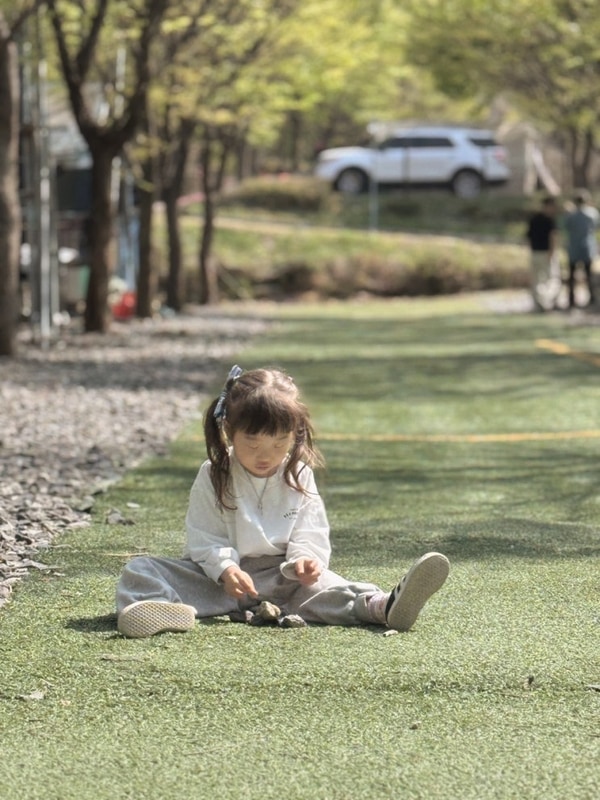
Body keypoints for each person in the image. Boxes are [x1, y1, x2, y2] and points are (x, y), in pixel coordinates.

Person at [116, 365, 450, 638]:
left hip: (282, 578)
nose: (266, 455)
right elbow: (204, 536)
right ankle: (159, 608)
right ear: (229, 431)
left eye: (279, 444)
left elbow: (310, 529)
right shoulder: (214, 473)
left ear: (295, 434)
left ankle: (380, 606)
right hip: (219, 581)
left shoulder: (299, 473)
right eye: (253, 442)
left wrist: (304, 561)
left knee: (326, 587)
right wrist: (225, 569)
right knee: (142, 568)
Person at [563, 190, 599, 309]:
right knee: (589, 274)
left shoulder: (571, 215)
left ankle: (571, 300)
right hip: (587, 247)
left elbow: (566, 227)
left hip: (573, 247)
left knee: (572, 275)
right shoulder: (592, 213)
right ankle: (592, 298)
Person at [525, 196, 562, 311]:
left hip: (536, 252)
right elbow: (553, 237)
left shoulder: (533, 219)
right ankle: (544, 302)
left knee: (537, 280)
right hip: (546, 252)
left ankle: (538, 304)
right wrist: (552, 252)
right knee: (551, 279)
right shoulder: (549, 220)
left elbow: (528, 237)